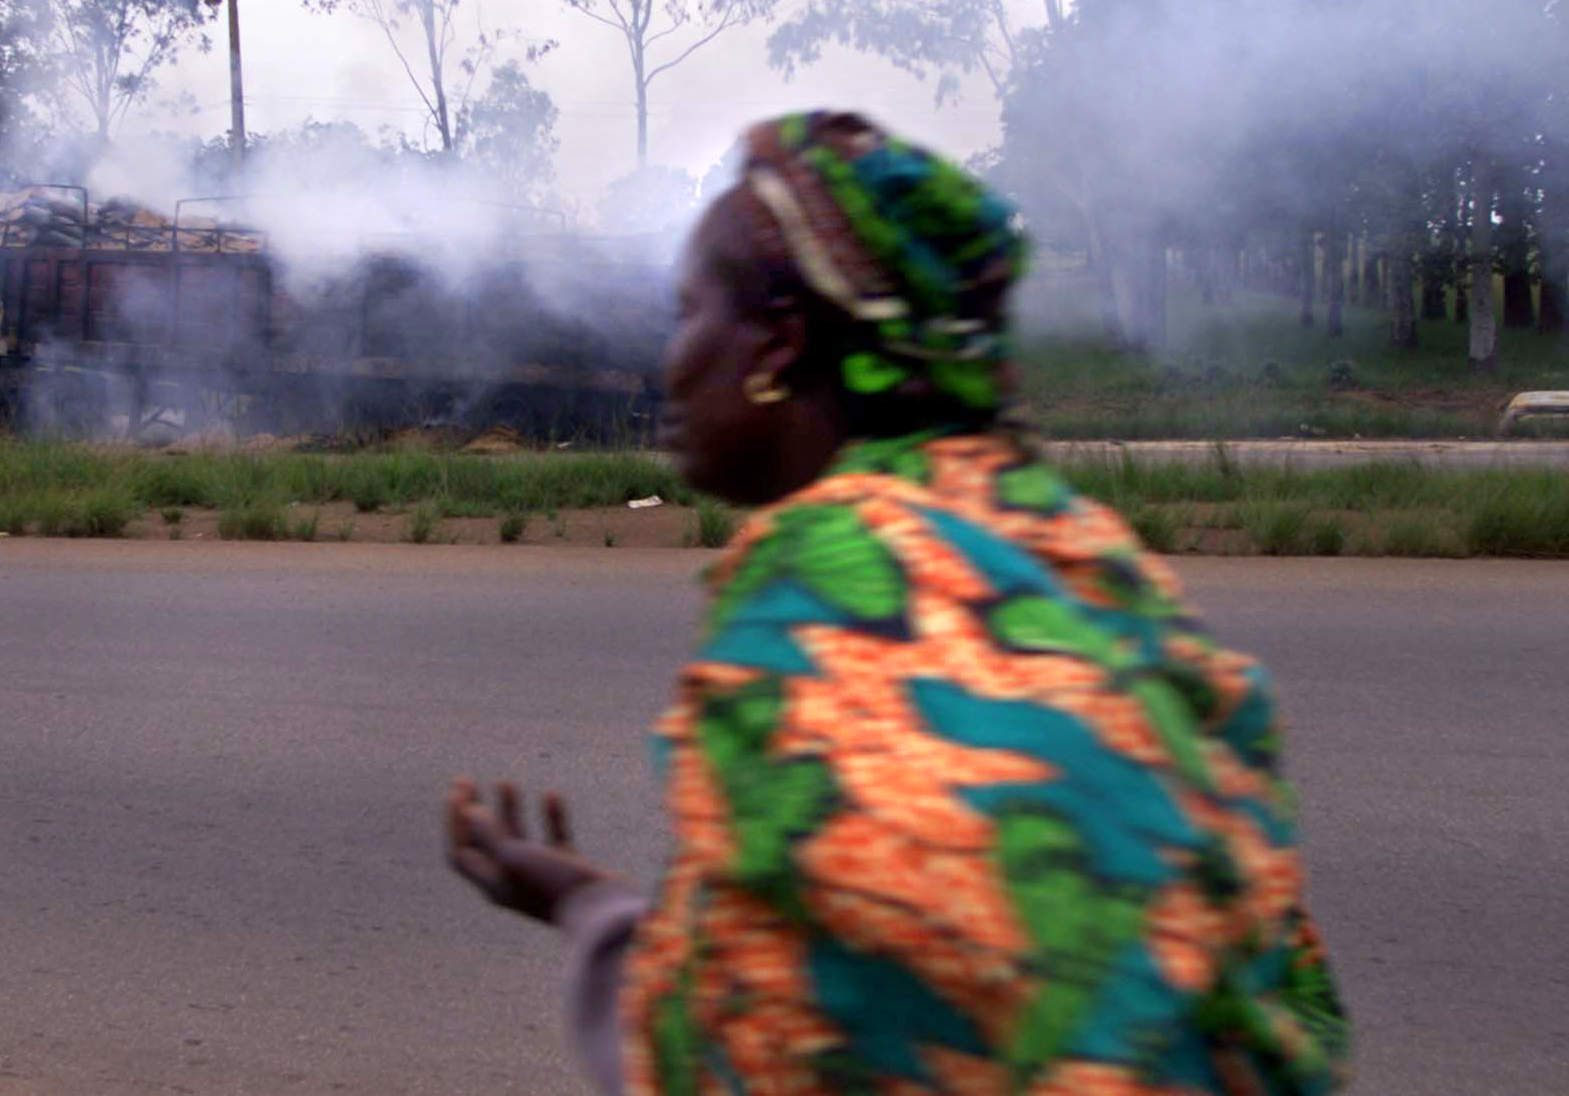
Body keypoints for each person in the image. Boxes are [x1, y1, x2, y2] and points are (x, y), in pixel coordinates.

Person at [446, 111, 1350, 1094]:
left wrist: (593, 925)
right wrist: (590, 907)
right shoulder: (1069, 546)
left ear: (778, 343)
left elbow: (735, 1058)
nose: (668, 360)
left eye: (687, 312)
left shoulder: (828, 586)